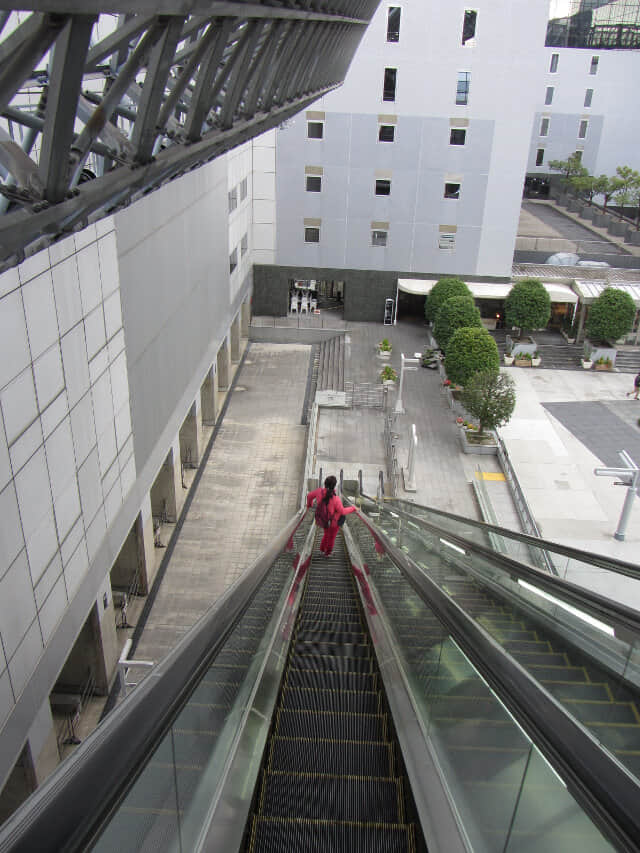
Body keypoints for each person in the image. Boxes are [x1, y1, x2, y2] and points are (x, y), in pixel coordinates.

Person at [306, 475, 356, 556]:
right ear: (334, 486)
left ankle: (322, 549)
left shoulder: (319, 491)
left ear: (325, 483)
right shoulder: (336, 499)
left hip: (323, 520)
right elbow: (342, 511)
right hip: (333, 523)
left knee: (326, 534)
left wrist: (309, 505)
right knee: (331, 538)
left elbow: (309, 496)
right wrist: (353, 508)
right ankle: (327, 553)